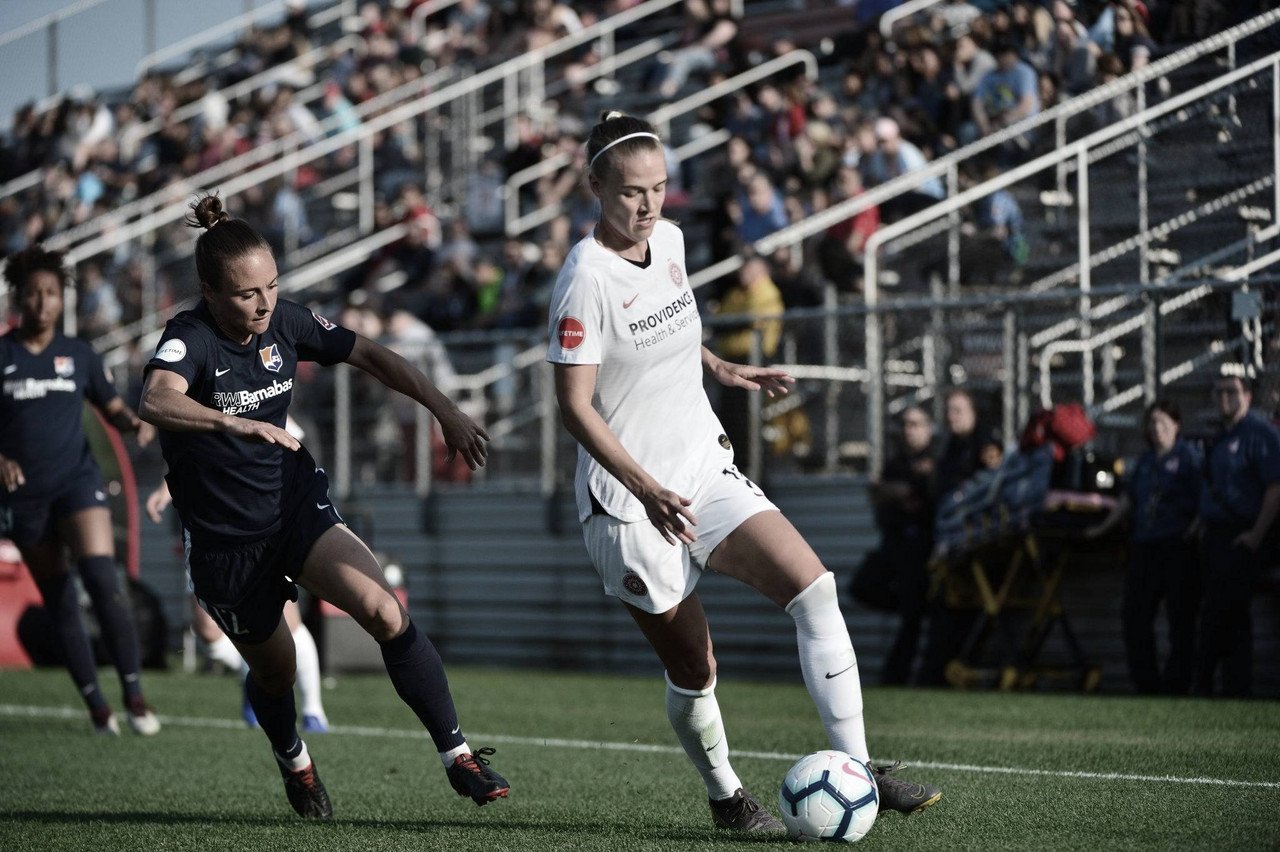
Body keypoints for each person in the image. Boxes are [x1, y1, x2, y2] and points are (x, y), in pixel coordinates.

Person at [546, 111, 941, 833]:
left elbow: (671, 326)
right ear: (596, 184)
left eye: (660, 189)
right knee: (696, 668)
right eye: (632, 191)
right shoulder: (583, 279)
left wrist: (722, 365)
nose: (648, 206)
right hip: (631, 505)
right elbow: (574, 407)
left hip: (700, 463)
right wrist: (646, 489)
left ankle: (858, 769)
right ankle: (727, 794)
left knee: (814, 589)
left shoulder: (669, 241)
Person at [137, 193, 509, 820]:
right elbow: (155, 398)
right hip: (227, 541)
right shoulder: (189, 337)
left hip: (293, 504)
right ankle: (295, 762)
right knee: (277, 672)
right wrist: (236, 426)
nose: (264, 303)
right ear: (207, 290)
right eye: (247, 293)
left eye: (272, 286)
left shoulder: (284, 321)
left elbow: (370, 353)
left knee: (383, 610)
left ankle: (458, 755)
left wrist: (444, 409)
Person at [0, 245, 161, 737]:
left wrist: (135, 424)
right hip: (25, 498)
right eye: (33, 294)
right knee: (60, 601)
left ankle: (133, 693)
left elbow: (110, 406)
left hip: (77, 483)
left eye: (50, 293)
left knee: (102, 581)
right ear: (18, 299)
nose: (42, 303)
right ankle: (97, 707)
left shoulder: (79, 355)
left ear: (62, 300)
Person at [145, 472, 330, 732]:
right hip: (207, 525)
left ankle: (312, 710)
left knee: (286, 619)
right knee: (207, 628)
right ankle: (254, 677)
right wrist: (167, 489)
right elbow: (189, 450)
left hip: (264, 519)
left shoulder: (279, 429)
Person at [1085, 400, 1202, 694]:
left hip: (1177, 547)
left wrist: (1194, 530)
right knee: (1135, 617)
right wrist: (1101, 528)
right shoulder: (1146, 461)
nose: (1157, 429)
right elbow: (1129, 500)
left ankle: (1177, 685)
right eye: (1152, 424)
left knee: (1180, 619)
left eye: (1163, 422)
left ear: (1176, 425)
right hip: (1145, 547)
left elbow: (1205, 498)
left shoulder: (1188, 458)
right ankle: (1146, 684)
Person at [1195, 371, 1280, 697]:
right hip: (1215, 534)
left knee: (1224, 609)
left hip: (1243, 532)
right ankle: (1232, 686)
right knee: (1226, 612)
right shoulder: (1219, 438)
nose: (1223, 398)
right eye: (1218, 392)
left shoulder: (1261, 435)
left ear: (1248, 395)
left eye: (1231, 391)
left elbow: (1275, 489)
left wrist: (1256, 535)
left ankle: (1208, 682)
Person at [869, 407, 937, 686]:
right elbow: (877, 494)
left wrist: (901, 492)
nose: (909, 430)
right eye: (906, 424)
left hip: (924, 547)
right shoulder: (896, 462)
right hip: (895, 544)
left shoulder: (937, 460)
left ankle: (898, 677)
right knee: (865, 585)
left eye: (916, 424)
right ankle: (914, 609)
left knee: (913, 619)